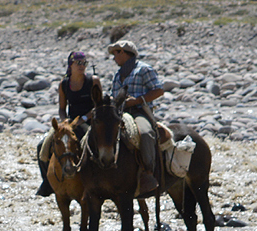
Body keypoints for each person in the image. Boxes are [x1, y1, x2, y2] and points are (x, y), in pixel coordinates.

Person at [36, 51, 101, 197]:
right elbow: (61, 108)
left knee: (93, 147)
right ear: (70, 64)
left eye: (84, 63)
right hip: (70, 122)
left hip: (89, 121)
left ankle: (97, 181)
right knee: (42, 146)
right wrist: (64, 121)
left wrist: (84, 118)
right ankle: (48, 182)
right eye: (79, 63)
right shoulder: (64, 84)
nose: (82, 66)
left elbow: (98, 106)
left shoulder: (93, 81)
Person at [106, 40, 166, 195]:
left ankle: (148, 172)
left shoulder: (144, 69)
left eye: (115, 53)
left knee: (145, 133)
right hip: (119, 114)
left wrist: (137, 100)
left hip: (139, 112)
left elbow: (158, 90)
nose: (113, 58)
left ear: (124, 53)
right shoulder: (118, 75)